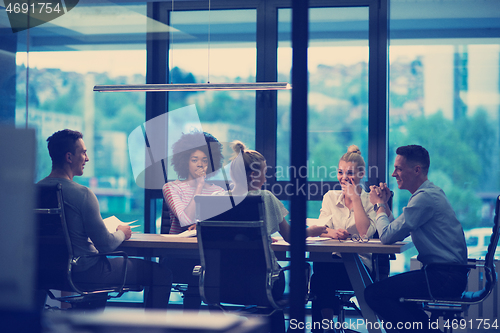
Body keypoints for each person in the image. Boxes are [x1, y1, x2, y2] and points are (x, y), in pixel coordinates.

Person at [38, 129, 172, 309]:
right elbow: (106, 245)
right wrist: (122, 233)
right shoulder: (82, 194)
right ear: (69, 157)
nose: (87, 158)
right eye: (83, 152)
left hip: (46, 272)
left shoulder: (33, 191)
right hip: (85, 272)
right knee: (161, 275)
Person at [213, 140, 327, 333]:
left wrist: (258, 238)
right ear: (253, 175)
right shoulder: (264, 197)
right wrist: (313, 230)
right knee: (287, 281)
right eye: (264, 172)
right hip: (263, 282)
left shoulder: (218, 200)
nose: (266, 178)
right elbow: (291, 237)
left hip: (224, 281)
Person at [365, 145, 468, 333]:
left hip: (443, 277)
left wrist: (378, 205)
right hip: (449, 275)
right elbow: (395, 230)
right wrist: (384, 206)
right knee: (394, 297)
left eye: (398, 168)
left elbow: (387, 236)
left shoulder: (424, 198)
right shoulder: (430, 193)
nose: (393, 173)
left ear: (417, 170)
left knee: (373, 293)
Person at [309, 145, 377, 332]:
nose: (343, 177)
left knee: (320, 277)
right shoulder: (330, 197)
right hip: (332, 263)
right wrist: (331, 233)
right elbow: (319, 229)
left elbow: (365, 232)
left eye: (349, 173)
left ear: (361, 174)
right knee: (321, 270)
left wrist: (355, 198)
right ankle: (327, 326)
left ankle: (324, 328)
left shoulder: (370, 199)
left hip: (359, 268)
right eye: (340, 172)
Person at [161, 130, 224, 311]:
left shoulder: (217, 192)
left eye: (205, 160)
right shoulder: (171, 187)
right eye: (195, 159)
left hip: (205, 255)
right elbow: (185, 219)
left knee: (210, 271)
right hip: (178, 254)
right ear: (185, 160)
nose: (200, 165)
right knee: (198, 275)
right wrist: (198, 187)